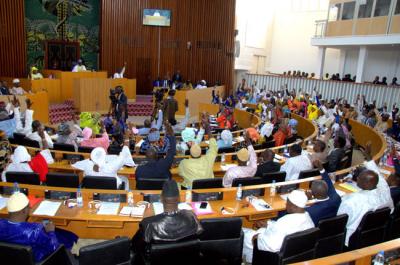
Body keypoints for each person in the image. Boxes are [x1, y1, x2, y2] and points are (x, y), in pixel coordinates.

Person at [132, 180, 203, 264]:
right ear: (179, 198)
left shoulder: (149, 224)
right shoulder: (191, 216)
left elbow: (135, 247)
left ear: (161, 199)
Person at [0, 192, 78, 262]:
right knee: (65, 235)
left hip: (13, 259)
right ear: (24, 211)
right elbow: (54, 247)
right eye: (28, 207)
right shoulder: (36, 230)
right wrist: (51, 231)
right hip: (39, 259)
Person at [242, 190, 314, 263]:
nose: (286, 204)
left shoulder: (284, 222)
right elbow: (285, 228)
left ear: (293, 206)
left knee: (243, 233)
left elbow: (271, 246)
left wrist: (257, 238)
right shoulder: (309, 219)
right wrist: (268, 224)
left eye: (287, 203)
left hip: (273, 256)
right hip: (293, 255)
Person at [337, 160, 394, 246]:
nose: (357, 179)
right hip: (376, 235)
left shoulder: (352, 201)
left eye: (359, 178)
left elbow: (340, 220)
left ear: (367, 184)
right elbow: (381, 180)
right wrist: (369, 160)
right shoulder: (385, 193)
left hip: (351, 239)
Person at [305, 160, 341, 225]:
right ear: (327, 190)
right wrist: (321, 169)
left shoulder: (310, 211)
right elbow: (329, 183)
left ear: (313, 194)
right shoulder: (336, 198)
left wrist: (308, 201)